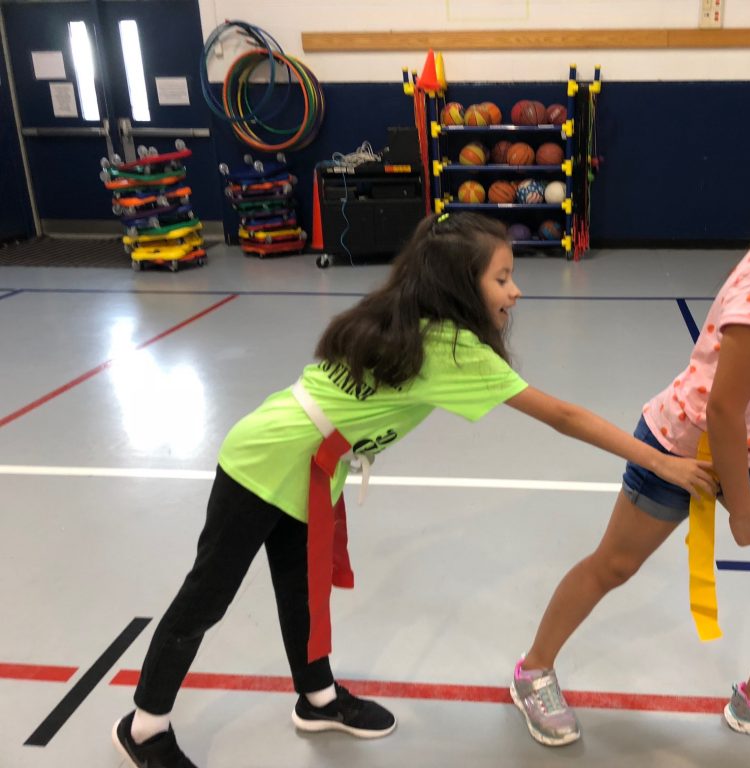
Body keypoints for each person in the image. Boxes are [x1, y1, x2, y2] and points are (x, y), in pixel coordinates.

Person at [112, 211, 716, 768]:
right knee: (207, 597)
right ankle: (144, 726)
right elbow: (560, 415)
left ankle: (316, 697)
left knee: (302, 593)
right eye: (502, 278)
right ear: (460, 283)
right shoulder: (451, 348)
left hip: (309, 467)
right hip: (264, 462)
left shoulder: (412, 315)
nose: (516, 291)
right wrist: (658, 463)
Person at [510, 107, 750, 748]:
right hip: (682, 446)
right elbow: (723, 408)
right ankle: (533, 670)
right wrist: (742, 511)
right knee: (613, 565)